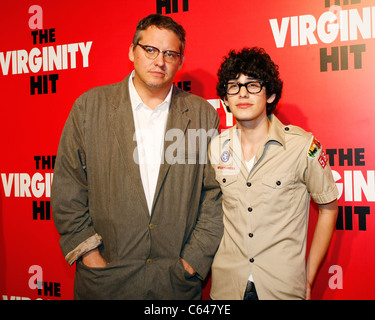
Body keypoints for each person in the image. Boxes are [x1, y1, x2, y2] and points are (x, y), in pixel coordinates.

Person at [51, 13, 223, 300]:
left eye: (170, 53)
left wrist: (192, 261)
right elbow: (68, 190)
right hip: (106, 281)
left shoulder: (202, 114)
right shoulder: (89, 108)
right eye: (151, 50)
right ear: (132, 51)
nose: (160, 61)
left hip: (174, 284)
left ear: (180, 60)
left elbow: (213, 194)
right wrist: (90, 255)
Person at [209, 47, 339, 300]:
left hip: (281, 288)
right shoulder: (216, 148)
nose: (243, 93)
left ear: (270, 95)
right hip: (227, 287)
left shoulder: (302, 146)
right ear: (225, 99)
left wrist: (308, 278)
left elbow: (329, 209)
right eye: (233, 86)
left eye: (253, 85)